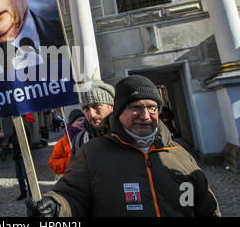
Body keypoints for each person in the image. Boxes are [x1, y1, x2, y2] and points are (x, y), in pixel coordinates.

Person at [27, 75, 221, 217]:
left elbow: (205, 208)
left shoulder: (180, 154)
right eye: (136, 107)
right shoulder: (91, 152)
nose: (145, 116)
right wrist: (55, 205)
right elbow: (72, 195)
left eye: (152, 107)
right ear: (118, 112)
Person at [71, 80, 115, 154]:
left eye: (96, 106)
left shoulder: (130, 135)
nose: (91, 114)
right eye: (86, 109)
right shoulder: (79, 141)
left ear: (111, 106)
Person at [48, 109, 85, 177]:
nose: (83, 122)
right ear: (72, 123)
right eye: (80, 120)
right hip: (72, 179)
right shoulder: (63, 142)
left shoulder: (91, 135)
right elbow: (53, 164)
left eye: (85, 120)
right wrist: (70, 161)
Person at [8, 117, 32, 201]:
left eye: (13, 118)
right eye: (12, 118)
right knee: (19, 175)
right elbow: (11, 139)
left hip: (23, 155)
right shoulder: (14, 129)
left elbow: (28, 142)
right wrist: (10, 144)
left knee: (26, 175)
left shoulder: (24, 128)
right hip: (16, 155)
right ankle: (23, 193)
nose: (12, 120)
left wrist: (24, 152)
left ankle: (31, 194)